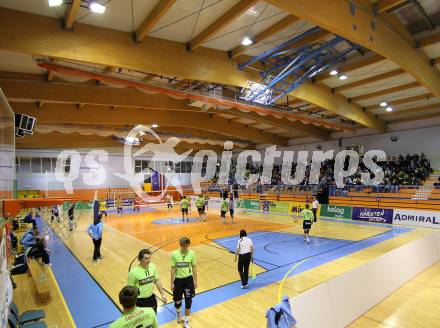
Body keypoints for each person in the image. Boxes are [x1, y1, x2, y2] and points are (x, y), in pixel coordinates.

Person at [127, 249, 167, 314]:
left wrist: (162, 294)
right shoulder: (133, 273)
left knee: (153, 318)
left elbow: (157, 280)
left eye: (149, 258)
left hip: (151, 298)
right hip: (139, 301)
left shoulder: (153, 266)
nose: (148, 260)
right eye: (146, 258)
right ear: (140, 259)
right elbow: (129, 290)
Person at [170, 237, 197, 328]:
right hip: (178, 281)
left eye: (186, 246)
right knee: (178, 301)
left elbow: (194, 267)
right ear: (180, 245)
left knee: (188, 301)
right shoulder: (174, 254)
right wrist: (172, 282)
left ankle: (186, 321)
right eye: (183, 246)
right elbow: (173, 269)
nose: (185, 248)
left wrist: (195, 281)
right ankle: (178, 313)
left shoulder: (192, 254)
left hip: (188, 280)